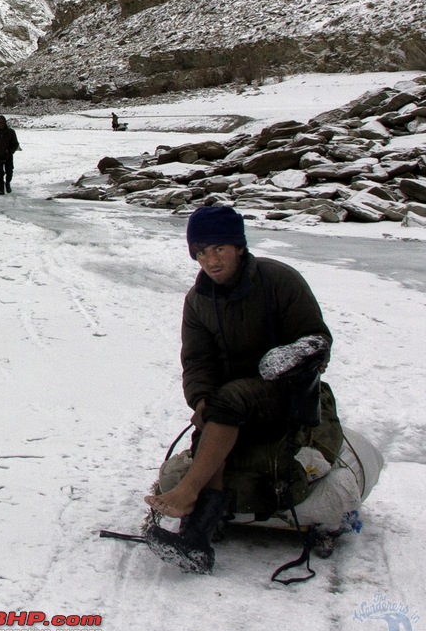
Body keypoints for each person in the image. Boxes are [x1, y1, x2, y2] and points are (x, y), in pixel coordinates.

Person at [144, 205, 343, 573]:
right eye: (201, 252)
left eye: (219, 248)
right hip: (231, 404)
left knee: (229, 399)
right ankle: (197, 537)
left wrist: (286, 360)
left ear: (238, 246)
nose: (211, 260)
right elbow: (198, 361)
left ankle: (188, 493)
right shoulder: (199, 301)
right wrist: (201, 400)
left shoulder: (279, 280)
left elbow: (317, 340)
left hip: (289, 392)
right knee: (212, 416)